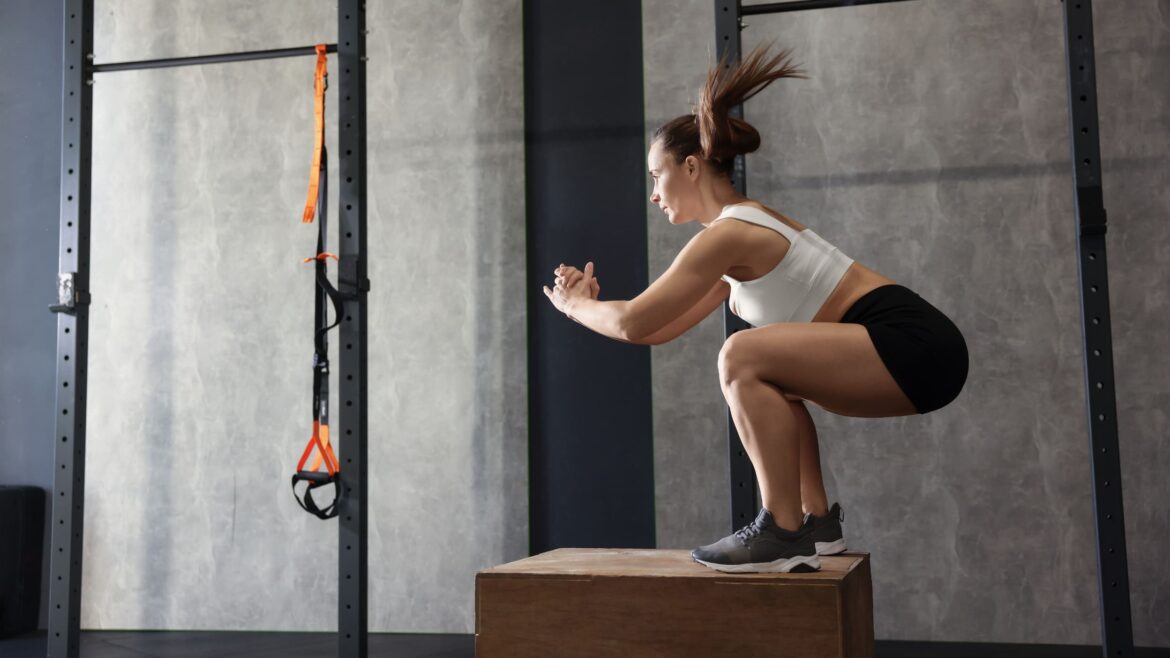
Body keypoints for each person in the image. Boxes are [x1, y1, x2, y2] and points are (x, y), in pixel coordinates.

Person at [542, 45, 968, 574]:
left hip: (914, 343)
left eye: (657, 176)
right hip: (918, 351)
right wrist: (587, 305)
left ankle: (780, 531)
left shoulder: (731, 234)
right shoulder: (733, 243)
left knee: (741, 355)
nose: (653, 194)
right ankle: (816, 525)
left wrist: (575, 306)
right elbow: (654, 329)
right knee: (766, 375)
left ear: (692, 166)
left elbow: (633, 321)